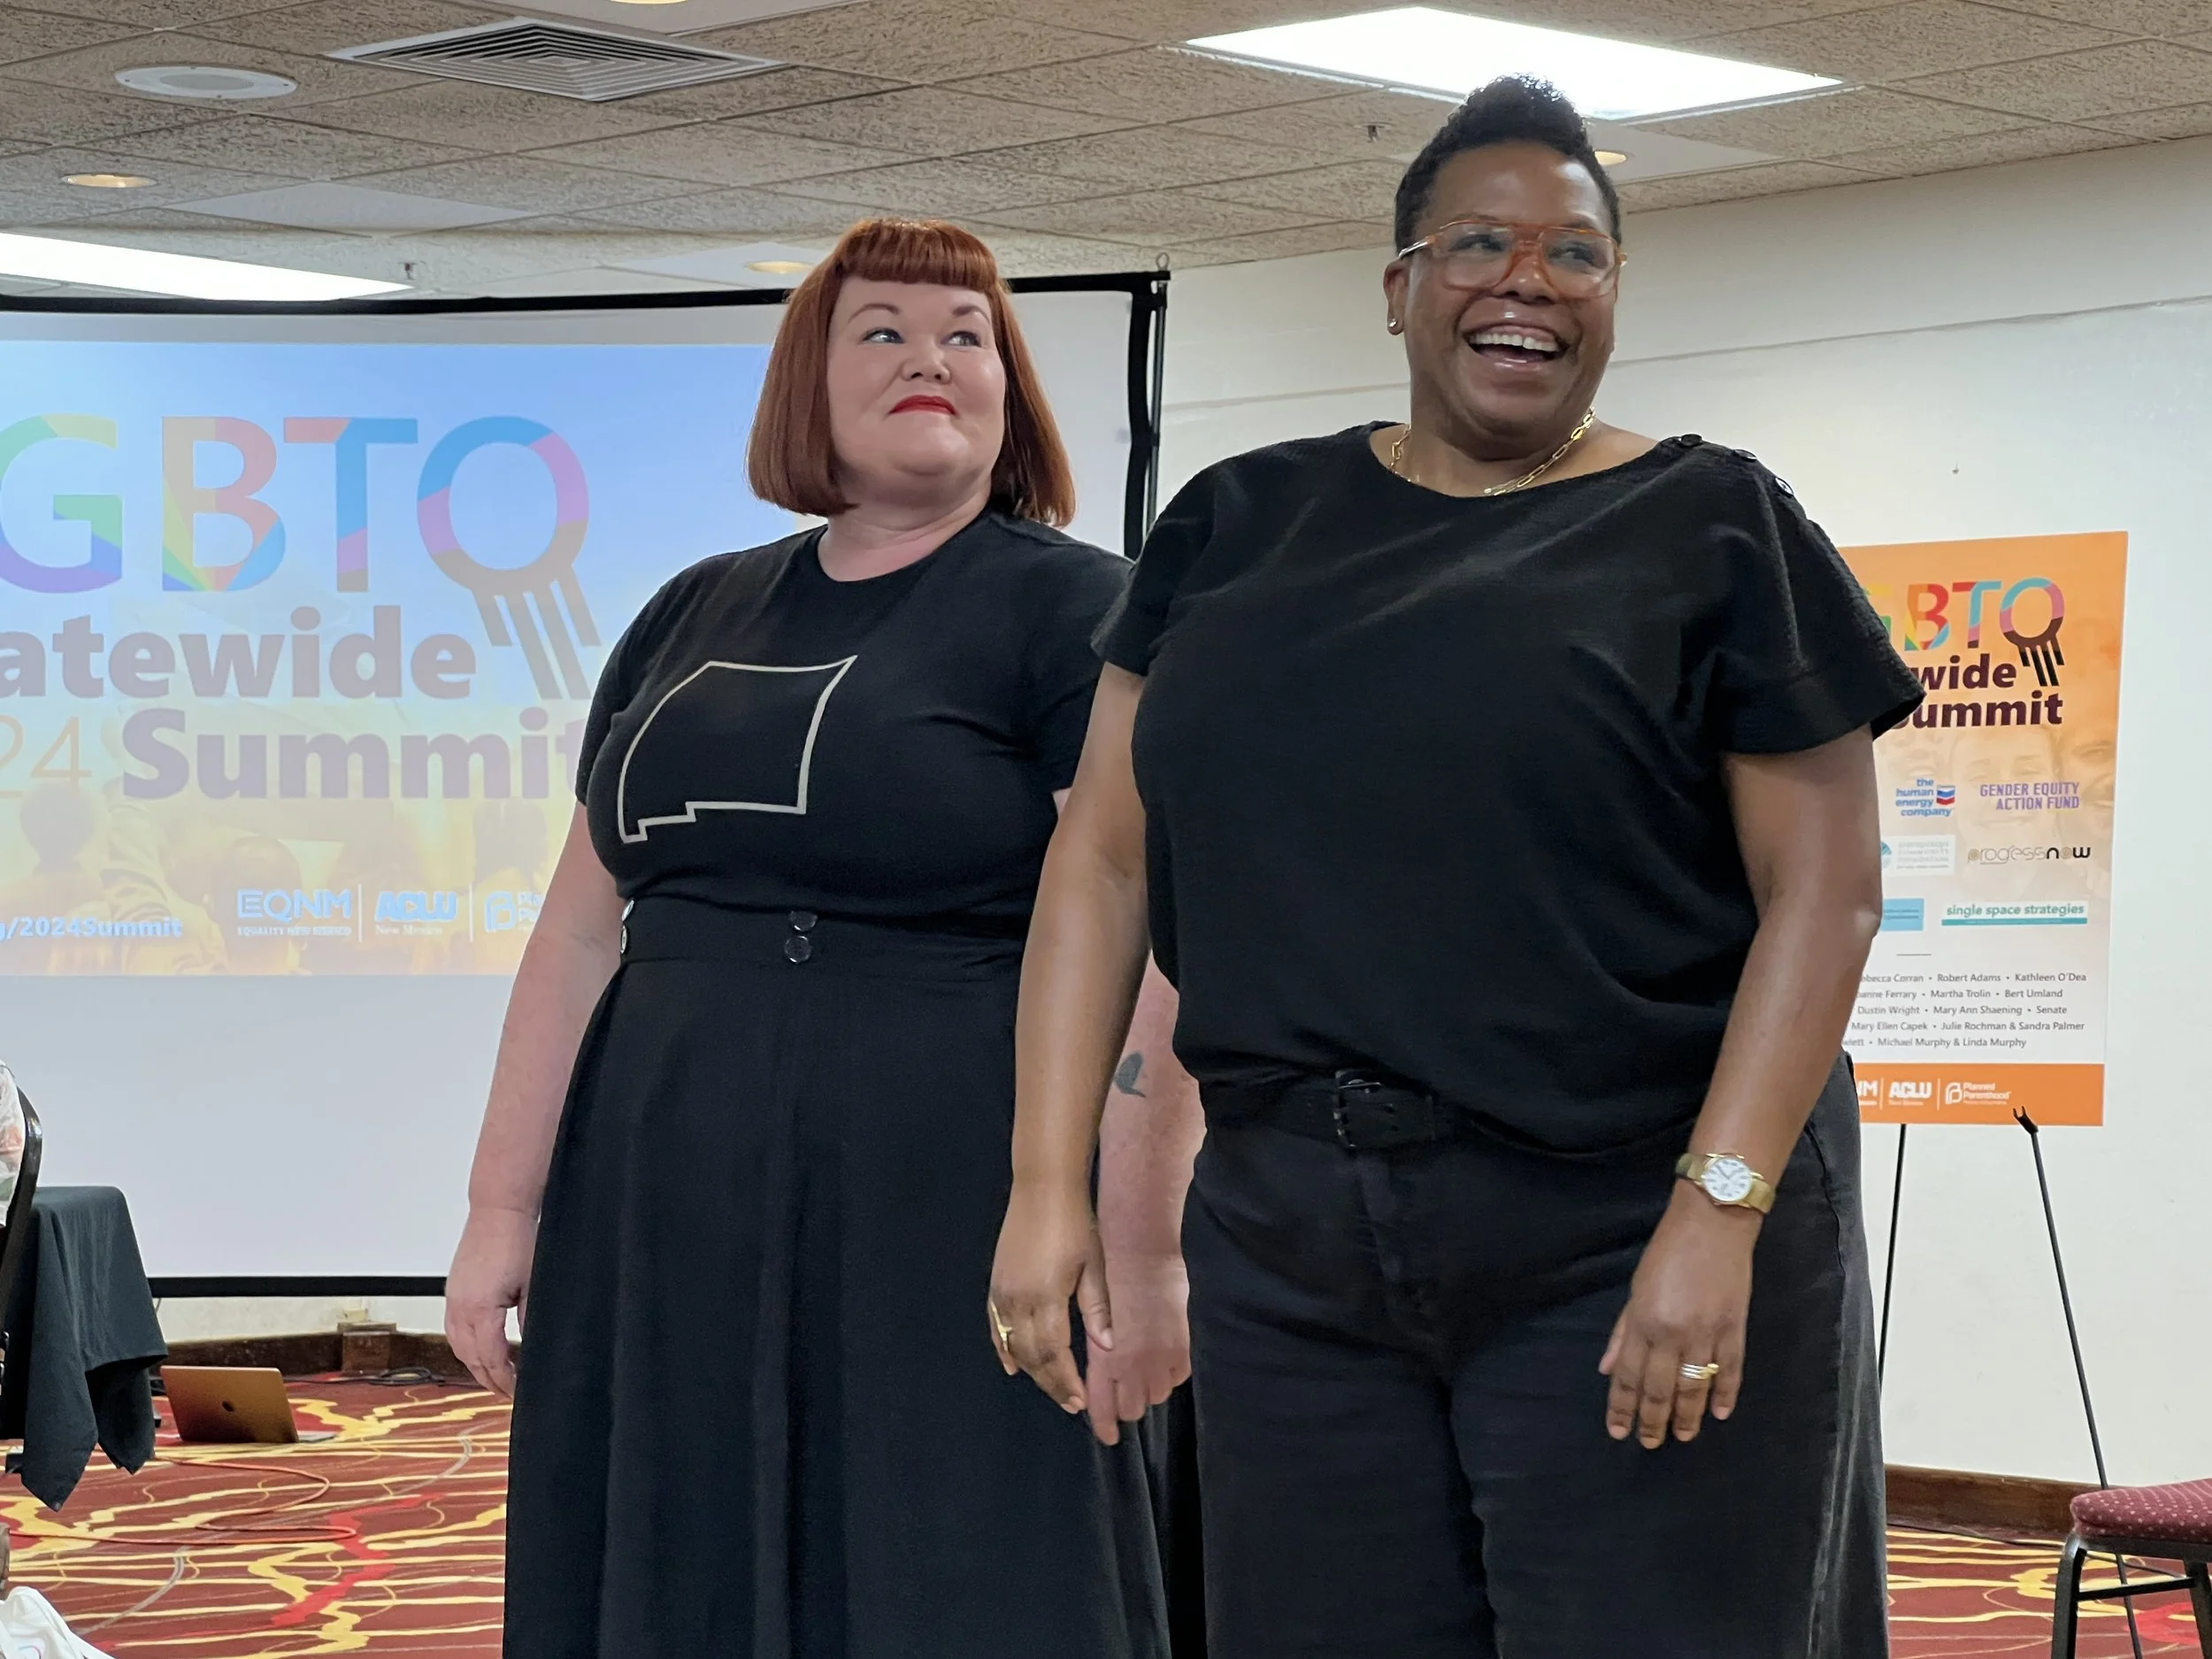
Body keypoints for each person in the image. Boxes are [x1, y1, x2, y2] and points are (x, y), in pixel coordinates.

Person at [990, 78, 1924, 1658]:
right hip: (1294, 1235)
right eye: (1480, 242)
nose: (1527, 281)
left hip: (1622, 1215)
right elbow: (1102, 859)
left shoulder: (1715, 527)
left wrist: (1718, 1215)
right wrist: (1043, 1185)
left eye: (1578, 253)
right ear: (1399, 285)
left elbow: (1823, 898)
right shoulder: (1237, 525)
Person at [445, 218, 1189, 1659]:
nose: (932, 359)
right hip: (664, 1175)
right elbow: (582, 930)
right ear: (809, 383)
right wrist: (500, 1207)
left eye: (968, 336)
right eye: (884, 331)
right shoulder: (690, 608)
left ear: (1011, 387)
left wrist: (1132, 1227)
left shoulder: (1074, 608)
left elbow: (1150, 940)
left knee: (949, 1553)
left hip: (950, 1174)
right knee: (679, 1541)